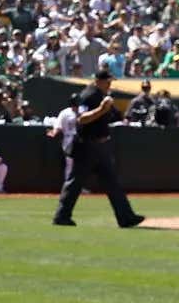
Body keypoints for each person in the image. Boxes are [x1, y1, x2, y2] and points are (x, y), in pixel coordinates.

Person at [53, 68, 144, 229]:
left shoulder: (102, 95)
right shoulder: (88, 95)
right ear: (98, 81)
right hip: (87, 144)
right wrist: (101, 109)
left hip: (100, 145)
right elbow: (81, 119)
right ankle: (61, 216)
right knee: (75, 183)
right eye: (107, 81)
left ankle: (126, 217)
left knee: (112, 182)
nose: (110, 84)